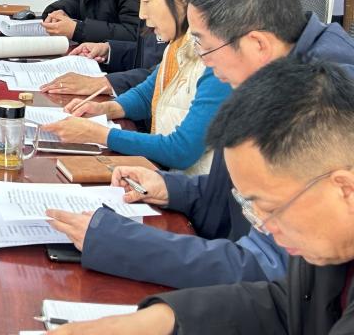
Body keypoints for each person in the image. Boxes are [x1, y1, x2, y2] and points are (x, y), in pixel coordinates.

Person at [47, 0, 354, 290]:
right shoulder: (269, 66)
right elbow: (236, 193)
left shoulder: (320, 96)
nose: (204, 64)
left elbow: (270, 267)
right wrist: (171, 188)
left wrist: (120, 243)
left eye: (203, 46)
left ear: (256, 44)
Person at [50, 60, 354, 335]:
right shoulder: (324, 234)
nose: (263, 226)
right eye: (249, 205)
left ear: (345, 189)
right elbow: (285, 305)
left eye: (271, 208)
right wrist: (163, 320)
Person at [42, 0, 230, 173]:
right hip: (169, 180)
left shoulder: (216, 58)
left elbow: (181, 150)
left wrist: (101, 135)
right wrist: (107, 109)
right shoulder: (179, 44)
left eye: (146, 0)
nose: (142, 13)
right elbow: (148, 93)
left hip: (190, 188)